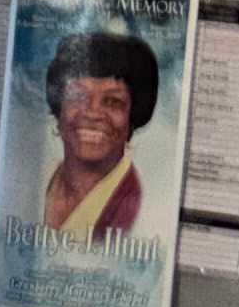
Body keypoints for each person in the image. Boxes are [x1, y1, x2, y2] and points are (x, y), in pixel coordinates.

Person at [37, 28, 159, 239]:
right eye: (78, 96)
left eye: (112, 101)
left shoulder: (142, 210)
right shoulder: (36, 180)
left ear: (133, 115)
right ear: (59, 107)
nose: (92, 113)